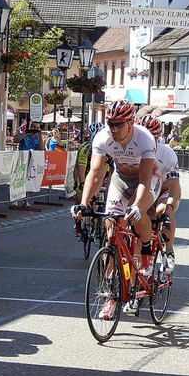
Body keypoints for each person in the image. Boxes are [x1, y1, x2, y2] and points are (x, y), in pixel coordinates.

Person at [71, 99, 158, 317]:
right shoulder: (103, 137)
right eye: (110, 123)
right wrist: (83, 202)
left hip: (143, 180)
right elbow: (96, 173)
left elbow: (145, 180)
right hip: (120, 179)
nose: (114, 129)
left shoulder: (145, 139)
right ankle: (110, 294)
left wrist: (137, 205)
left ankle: (146, 254)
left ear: (130, 123)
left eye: (119, 124)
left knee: (138, 217)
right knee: (111, 227)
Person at [136, 114, 181, 272]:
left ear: (158, 136)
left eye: (151, 137)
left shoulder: (167, 154)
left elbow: (174, 187)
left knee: (161, 211)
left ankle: (168, 251)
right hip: (144, 190)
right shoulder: (133, 150)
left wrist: (168, 212)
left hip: (164, 190)